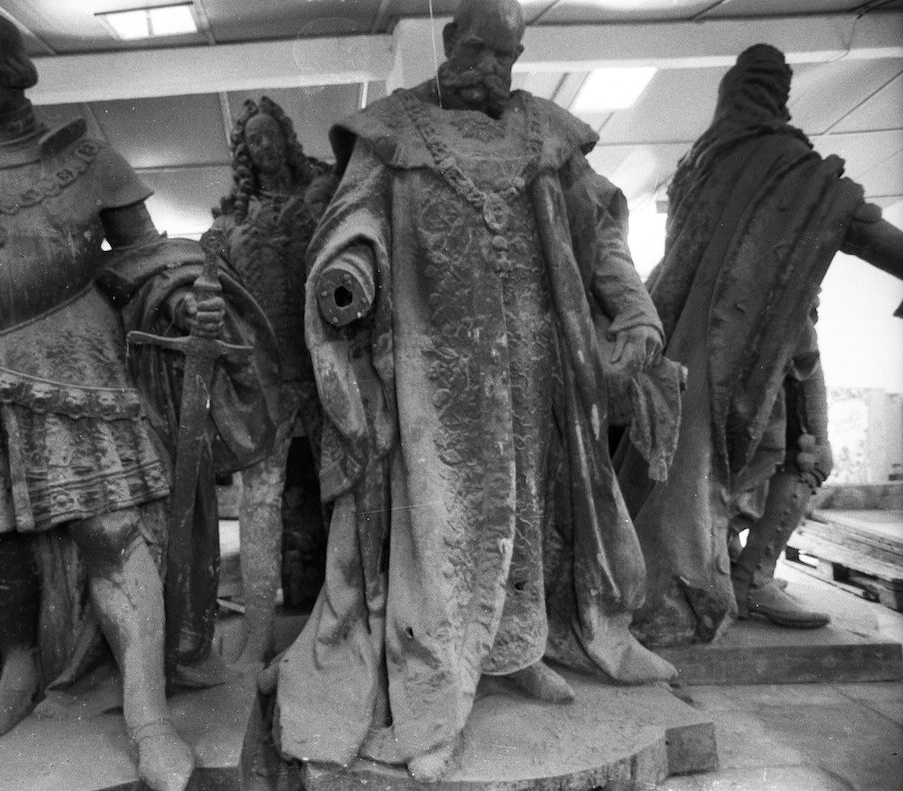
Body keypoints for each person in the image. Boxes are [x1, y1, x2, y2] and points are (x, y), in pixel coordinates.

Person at [0, 13, 271, 791]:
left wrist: (184, 303)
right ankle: (13, 679)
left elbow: (149, 259)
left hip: (73, 366)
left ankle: (147, 714)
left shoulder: (90, 162)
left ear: (15, 69)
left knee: (109, 531)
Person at [272, 0, 677, 781]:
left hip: (533, 358)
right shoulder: (394, 130)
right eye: (483, 51)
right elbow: (352, 223)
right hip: (434, 364)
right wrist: (348, 276)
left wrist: (633, 308)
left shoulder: (546, 133)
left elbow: (601, 230)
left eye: (509, 56)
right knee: (441, 522)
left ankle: (516, 650)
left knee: (526, 510)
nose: (495, 70)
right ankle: (435, 687)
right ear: (451, 41)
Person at [615, 44, 903, 646]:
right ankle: (746, 576)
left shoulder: (702, 162)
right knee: (799, 452)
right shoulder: (786, 162)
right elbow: (856, 224)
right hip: (765, 346)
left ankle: (742, 573)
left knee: (762, 456)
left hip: (712, 342)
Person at [203, 96, 337, 666]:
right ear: (244, 155)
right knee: (259, 502)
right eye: (251, 141)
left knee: (346, 491)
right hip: (267, 377)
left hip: (323, 367)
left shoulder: (324, 198)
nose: (263, 147)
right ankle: (258, 629)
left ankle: (347, 615)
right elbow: (213, 291)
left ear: (285, 137)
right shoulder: (230, 223)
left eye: (269, 135)